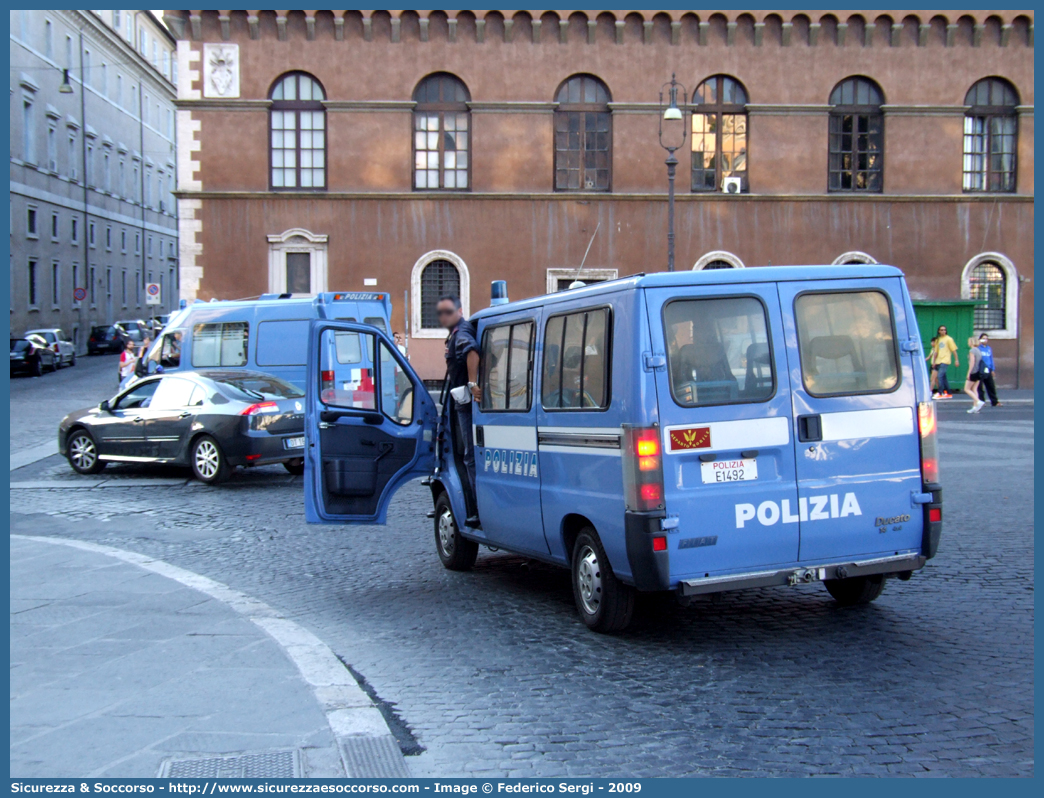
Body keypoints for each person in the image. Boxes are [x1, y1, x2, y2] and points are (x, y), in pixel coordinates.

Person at [439, 295, 481, 527]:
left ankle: (476, 510)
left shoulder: (461, 332)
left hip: (467, 405)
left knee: (470, 457)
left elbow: (471, 351)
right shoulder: (456, 331)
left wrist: (473, 383)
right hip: (463, 402)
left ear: (460, 310)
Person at [929, 325, 958, 398]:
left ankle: (940, 392)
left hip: (945, 360)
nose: (943, 331)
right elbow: (936, 352)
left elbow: (953, 350)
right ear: (939, 331)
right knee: (943, 377)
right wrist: (934, 362)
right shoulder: (937, 340)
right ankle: (948, 392)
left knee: (940, 376)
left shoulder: (949, 339)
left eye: (944, 330)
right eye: (941, 330)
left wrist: (956, 360)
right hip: (938, 360)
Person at [976, 333, 1001, 408]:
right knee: (979, 387)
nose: (985, 340)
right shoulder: (978, 348)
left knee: (991, 386)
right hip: (980, 369)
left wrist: (992, 369)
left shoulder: (989, 348)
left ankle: (994, 401)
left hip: (988, 369)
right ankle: (982, 401)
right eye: (983, 338)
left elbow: (991, 359)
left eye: (986, 338)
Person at [963, 336, 985, 413]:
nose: (968, 343)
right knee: (974, 389)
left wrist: (968, 373)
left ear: (971, 342)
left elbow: (972, 363)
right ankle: (975, 407)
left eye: (969, 341)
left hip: (973, 371)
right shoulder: (978, 350)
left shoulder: (972, 351)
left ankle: (978, 401)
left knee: (967, 389)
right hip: (978, 372)